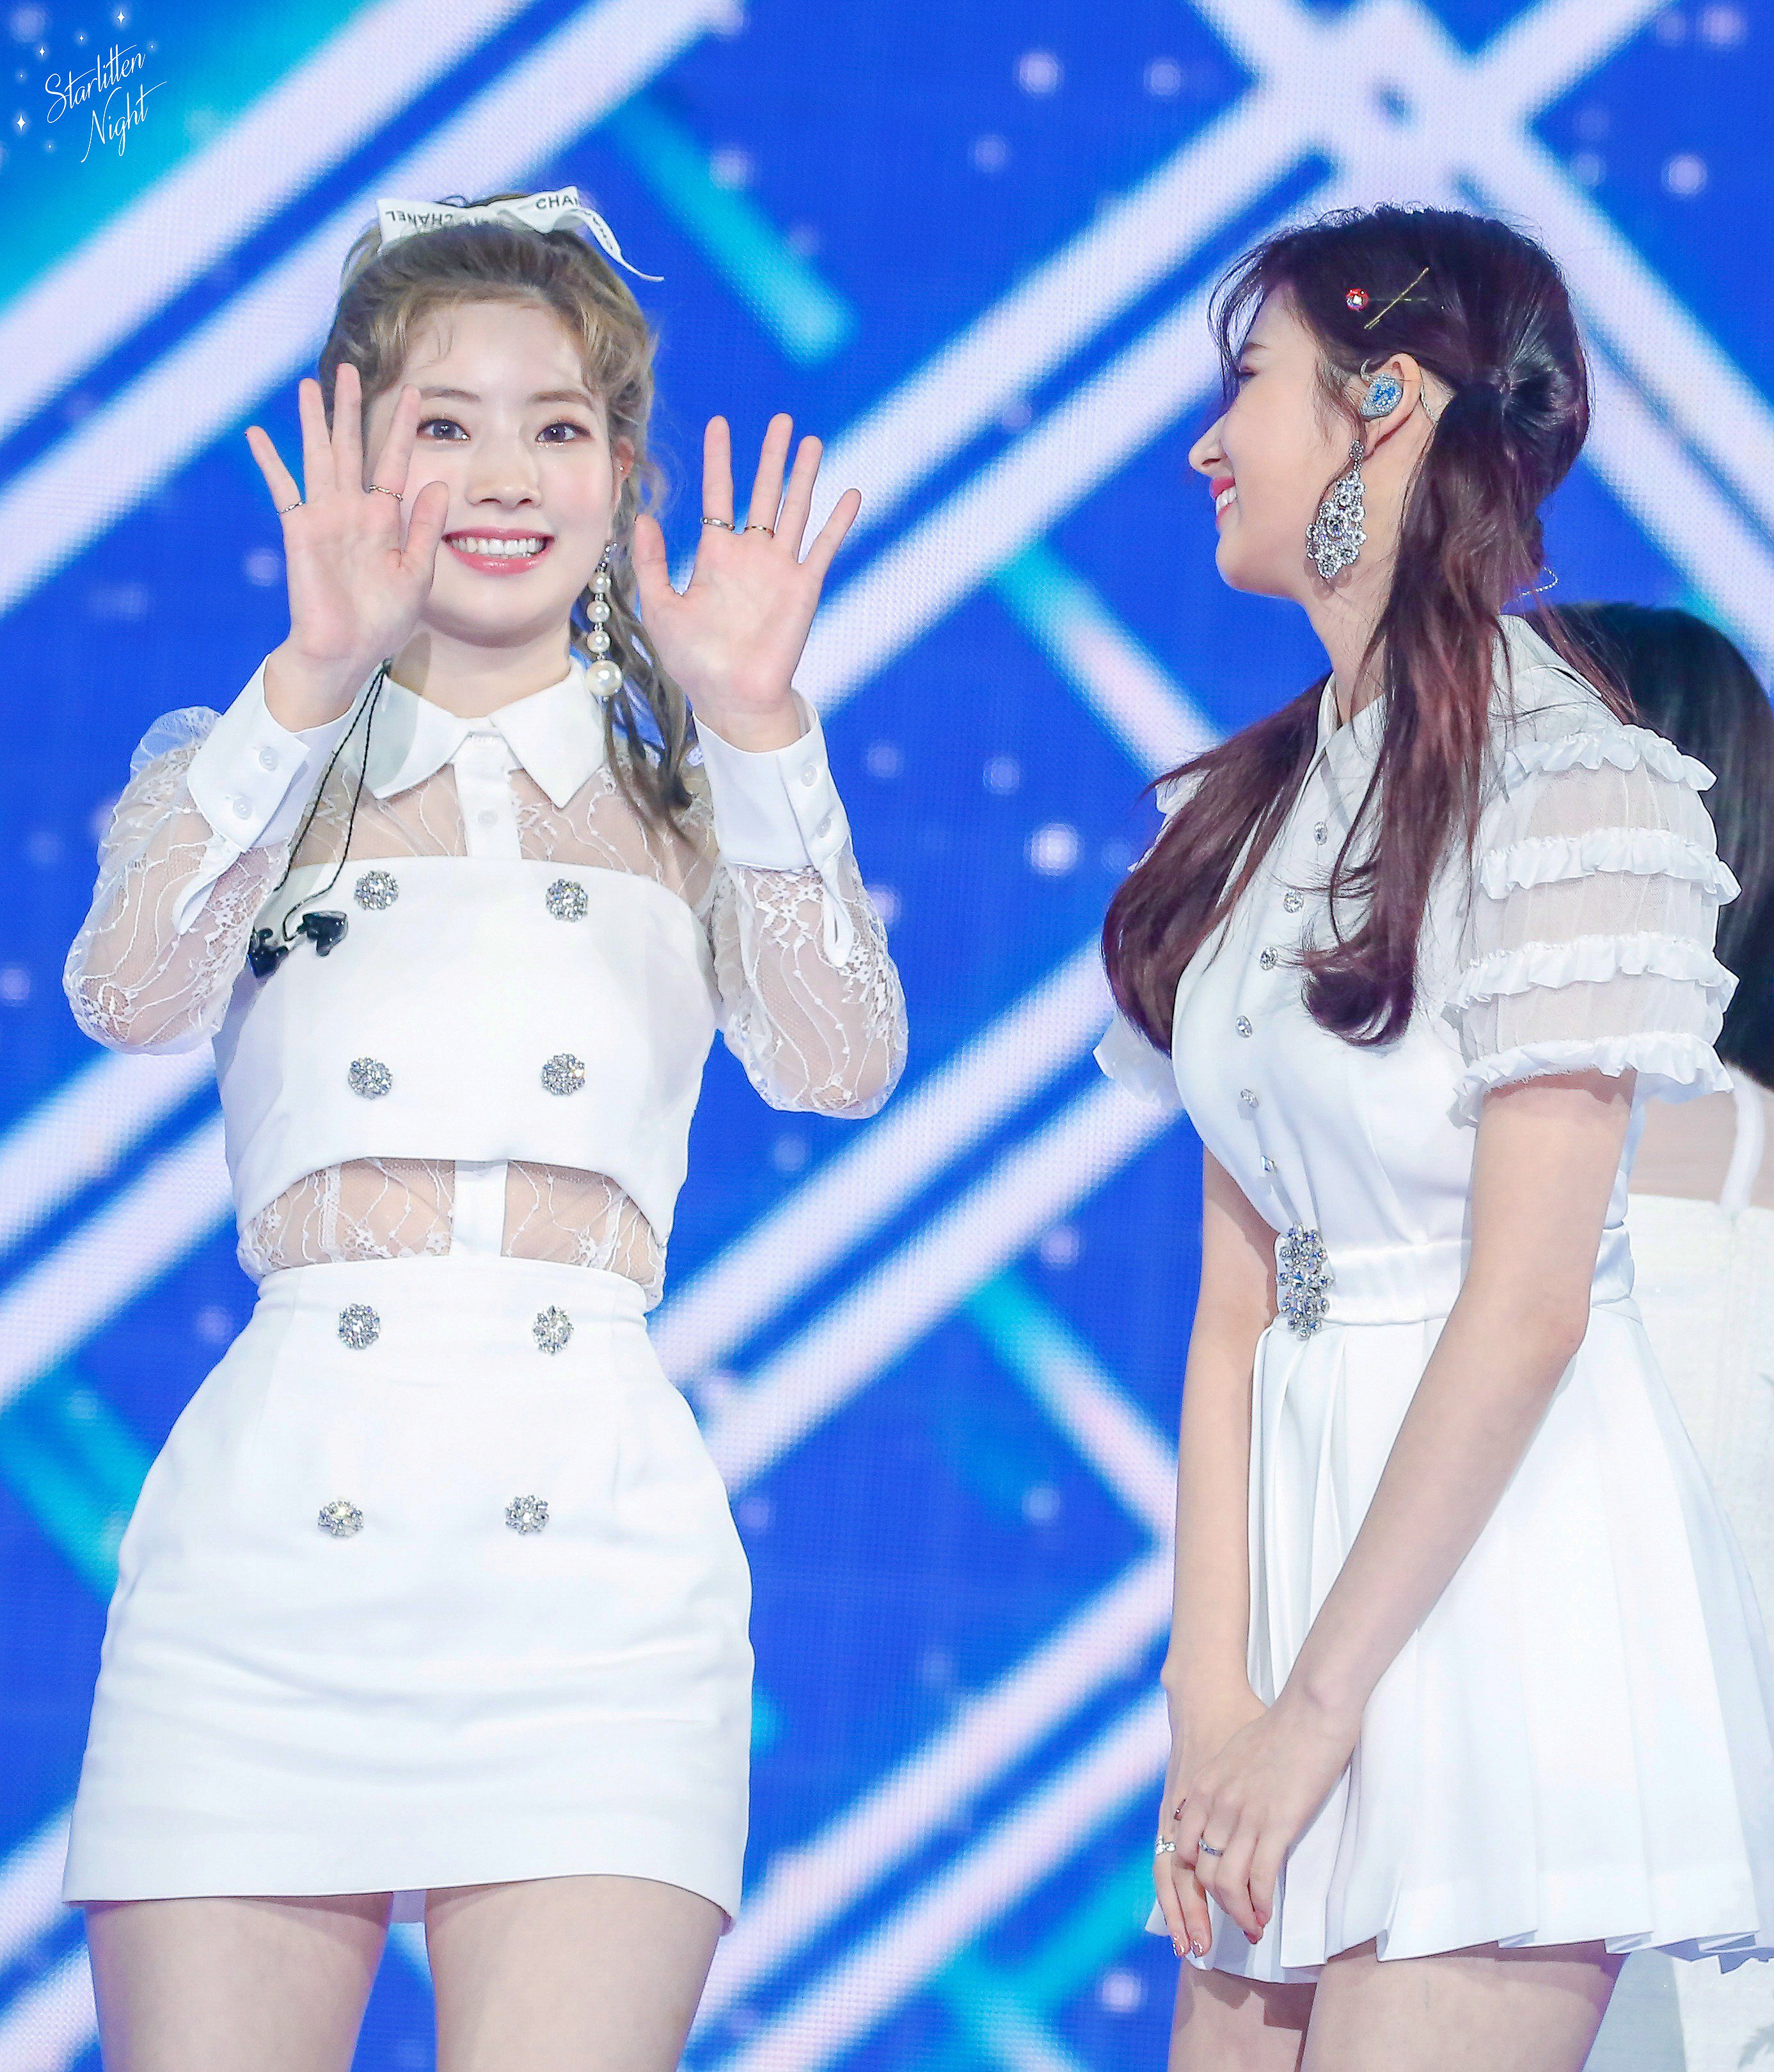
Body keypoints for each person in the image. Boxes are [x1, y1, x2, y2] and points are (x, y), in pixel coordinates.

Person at [57, 186, 907, 2071]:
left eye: (560, 427)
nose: (507, 477)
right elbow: (127, 992)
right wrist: (305, 682)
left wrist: (761, 727)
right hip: (273, 1566)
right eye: (446, 424)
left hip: (589, 1573)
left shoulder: (693, 793)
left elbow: (840, 1059)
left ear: (619, 474)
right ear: (355, 455)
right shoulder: (249, 760)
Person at [1094, 204, 1774, 2071]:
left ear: (1384, 404)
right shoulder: (1254, 804)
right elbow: (1238, 1305)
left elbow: (1531, 1302)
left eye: (1250, 384)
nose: (1209, 443)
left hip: (1494, 1582)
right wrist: (1212, 1690)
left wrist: (1319, 1709)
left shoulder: (1576, 785)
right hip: (1292, 1579)